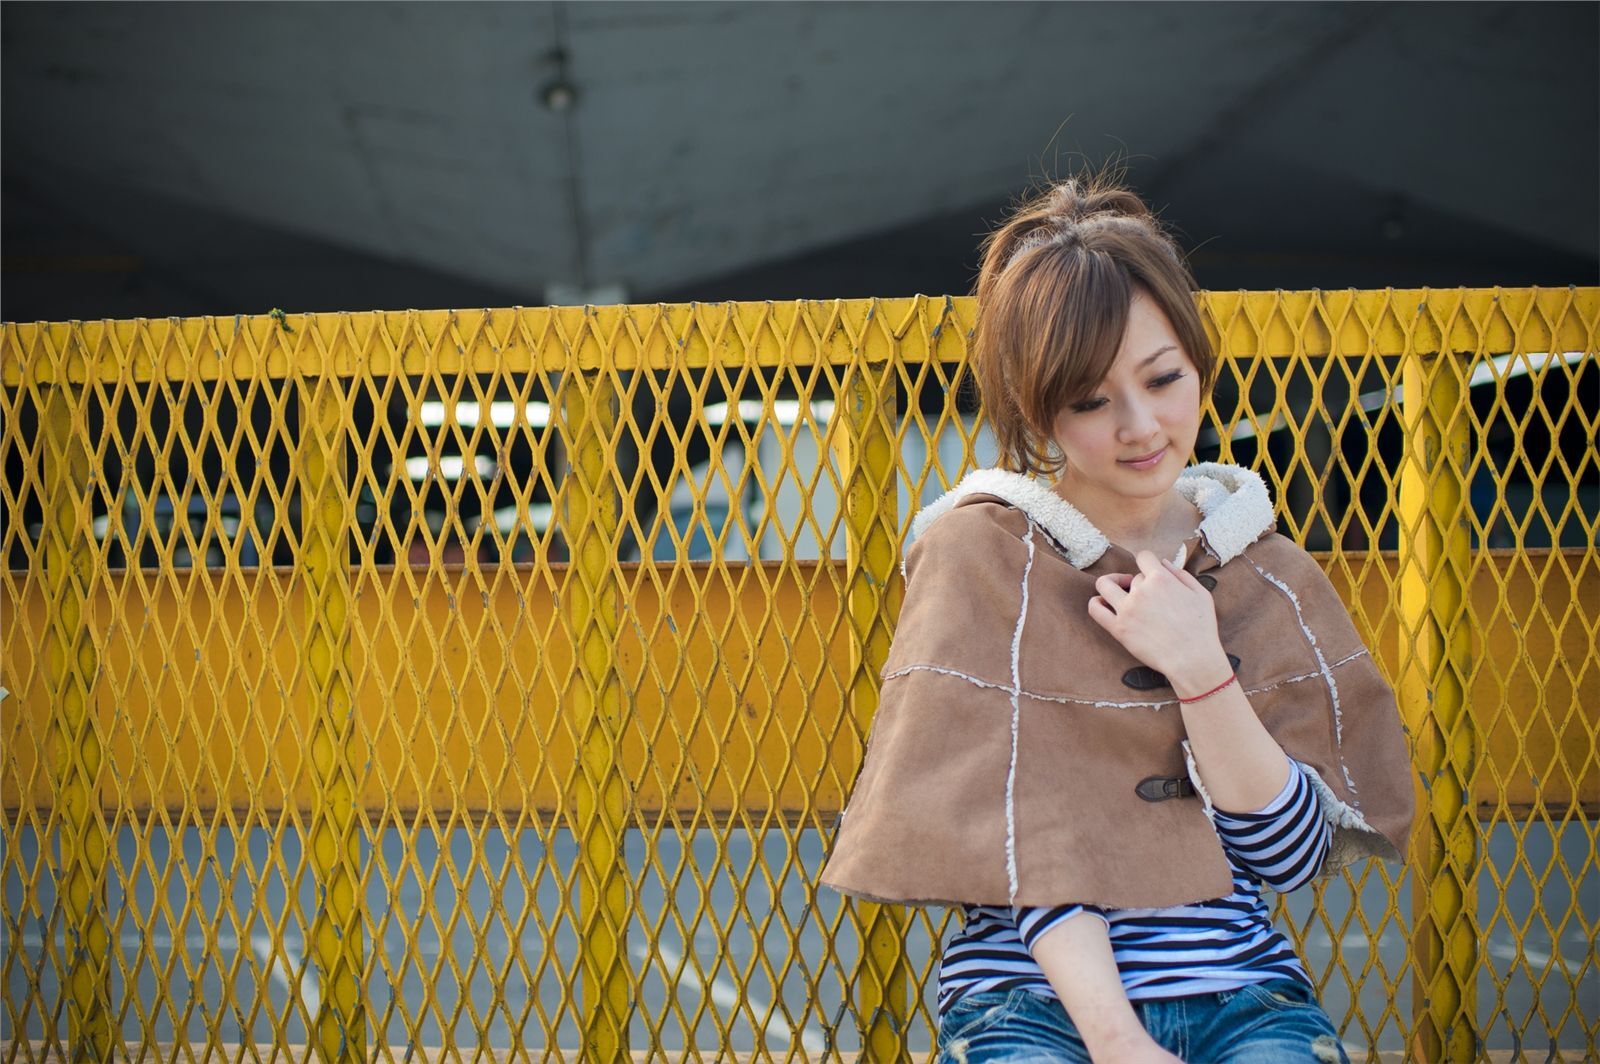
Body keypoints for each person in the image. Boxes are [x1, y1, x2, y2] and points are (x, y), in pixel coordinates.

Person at [819, 171, 1415, 1063]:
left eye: (1164, 378)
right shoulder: (984, 554)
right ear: (1035, 406)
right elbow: (1019, 840)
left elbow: (1289, 862)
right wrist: (1116, 1040)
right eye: (1090, 401)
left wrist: (1200, 667)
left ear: (1199, 361)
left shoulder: (1268, 571)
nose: (1141, 426)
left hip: (1243, 997)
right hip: (1029, 1004)